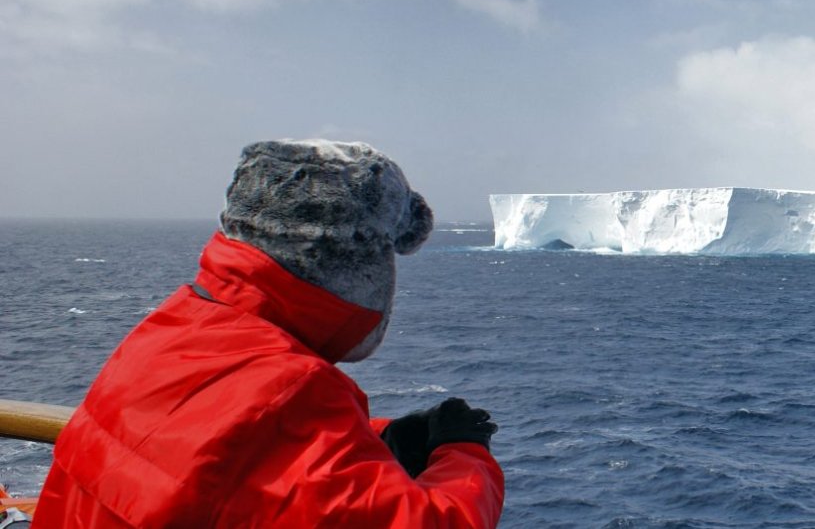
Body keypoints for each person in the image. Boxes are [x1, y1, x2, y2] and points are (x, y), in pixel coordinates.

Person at [32, 140, 504, 527]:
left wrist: (385, 439)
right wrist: (462, 451)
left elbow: (219, 446)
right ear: (354, 265)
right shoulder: (290, 390)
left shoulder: (177, 324)